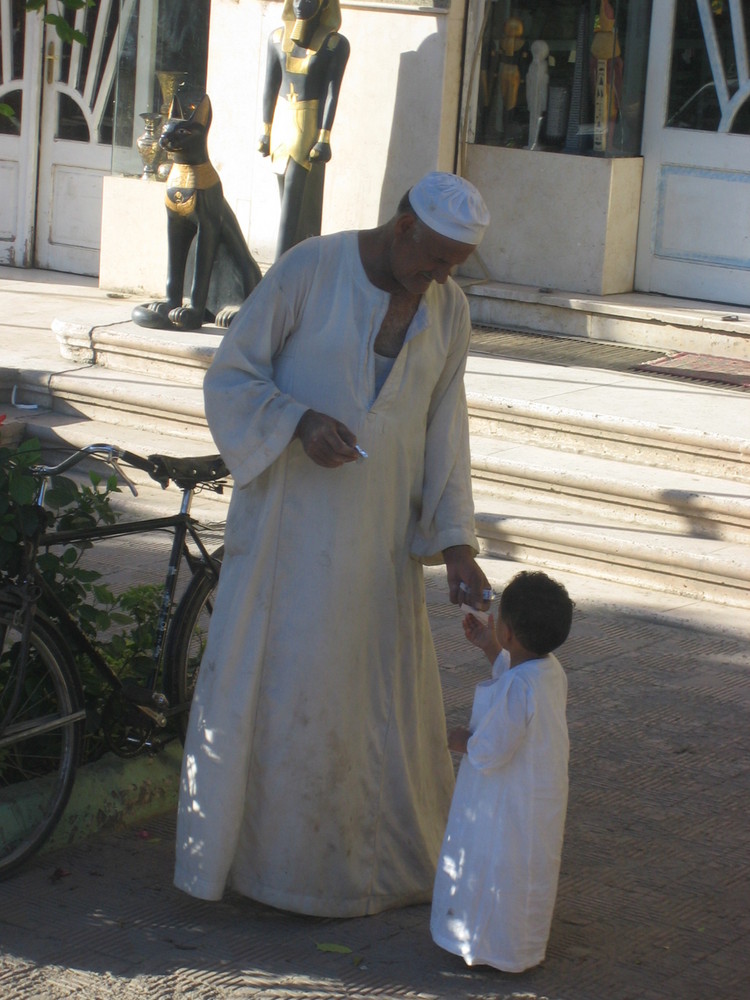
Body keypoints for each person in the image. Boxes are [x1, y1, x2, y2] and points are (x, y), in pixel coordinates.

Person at [174, 171, 492, 918]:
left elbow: (447, 428)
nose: (440, 277)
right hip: (290, 534)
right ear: (403, 223)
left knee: (368, 698)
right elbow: (231, 376)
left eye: (455, 266)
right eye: (435, 258)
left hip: (379, 544)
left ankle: (366, 867)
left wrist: (456, 545)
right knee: (285, 690)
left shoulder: (449, 308)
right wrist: (297, 422)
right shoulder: (310, 268)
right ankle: (270, 867)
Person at [430, 570, 574, 972]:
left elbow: (491, 749)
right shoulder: (550, 672)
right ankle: (519, 945)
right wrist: (491, 648)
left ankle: (487, 944)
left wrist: (461, 741)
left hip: (506, 802)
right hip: (537, 800)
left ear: (509, 632)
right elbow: (516, 674)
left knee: (494, 862)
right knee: (527, 869)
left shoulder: (520, 687)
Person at [258, 0, 350, 260]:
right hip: (281, 126)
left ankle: (280, 266)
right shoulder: (277, 38)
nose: (300, 4)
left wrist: (324, 136)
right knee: (285, 199)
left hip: (306, 127)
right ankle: (294, 261)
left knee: (293, 202)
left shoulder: (334, 45)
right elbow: (270, 88)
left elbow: (332, 93)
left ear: (324, 5)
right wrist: (265, 131)